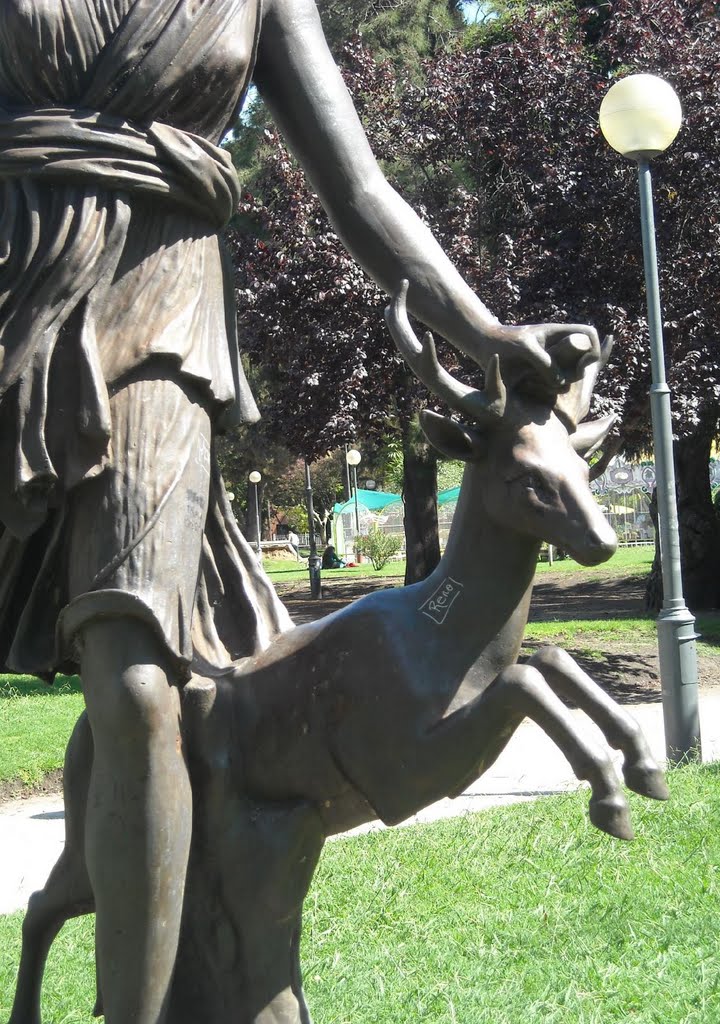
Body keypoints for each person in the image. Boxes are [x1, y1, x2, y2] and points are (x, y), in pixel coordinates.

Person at [0, 1, 600, 1020]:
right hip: (15, 289)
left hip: (164, 320)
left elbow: (359, 186)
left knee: (140, 682)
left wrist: (483, 327)